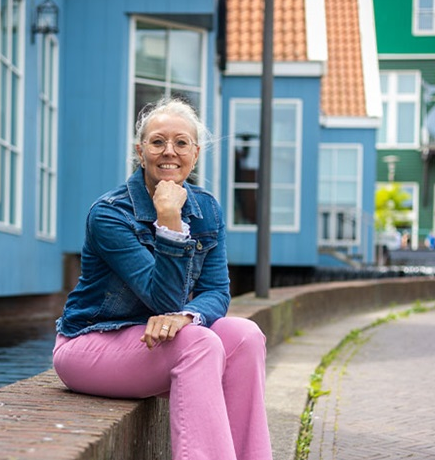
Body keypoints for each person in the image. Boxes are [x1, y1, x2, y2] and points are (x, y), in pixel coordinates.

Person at [52, 97, 273, 460]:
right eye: (157, 142)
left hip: (160, 341)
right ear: (141, 151)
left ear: (196, 153)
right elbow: (164, 300)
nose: (169, 151)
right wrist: (169, 222)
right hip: (91, 343)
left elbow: (216, 291)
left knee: (245, 335)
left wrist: (185, 317)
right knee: (199, 343)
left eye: (181, 142)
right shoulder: (109, 215)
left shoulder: (207, 209)